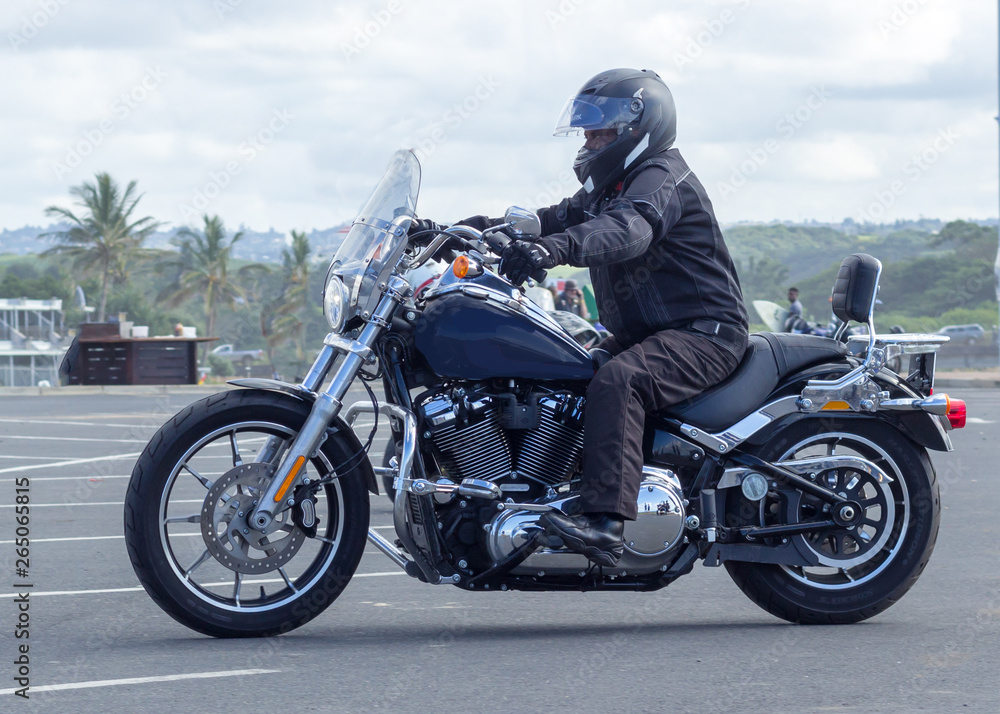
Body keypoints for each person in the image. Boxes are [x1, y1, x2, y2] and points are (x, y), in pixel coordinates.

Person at [496, 68, 749, 566]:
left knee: (620, 381)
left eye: (600, 131)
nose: (590, 141)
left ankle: (604, 524)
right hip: (650, 333)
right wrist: (462, 230)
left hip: (703, 335)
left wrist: (551, 251)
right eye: (587, 132)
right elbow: (551, 217)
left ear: (639, 126)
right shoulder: (610, 187)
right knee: (561, 370)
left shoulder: (659, 179)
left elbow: (628, 230)